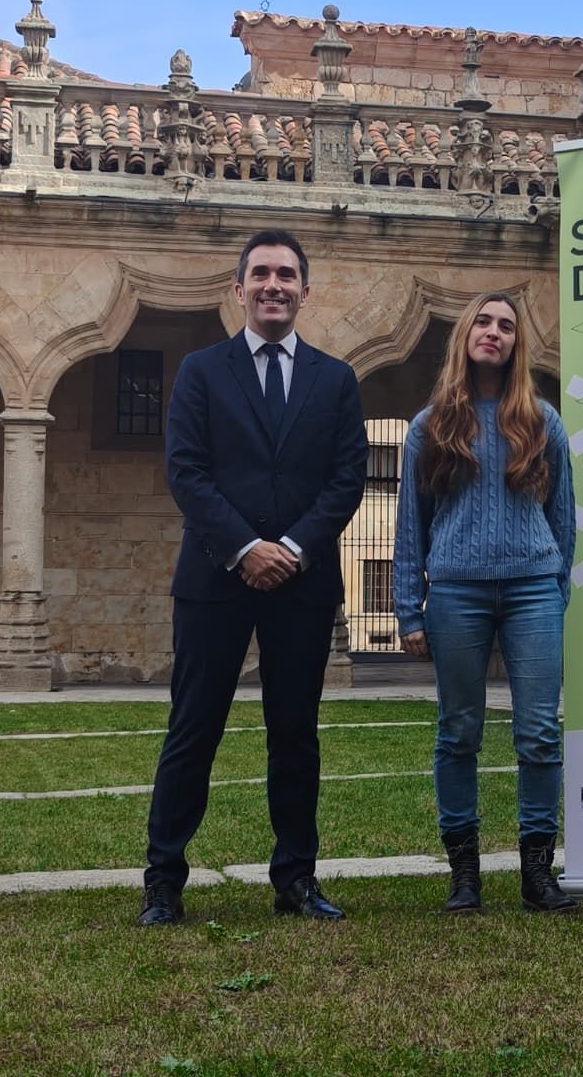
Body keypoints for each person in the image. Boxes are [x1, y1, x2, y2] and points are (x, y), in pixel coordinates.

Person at [139, 229, 367, 927]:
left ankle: (295, 878)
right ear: (239, 289)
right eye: (261, 274)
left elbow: (346, 479)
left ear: (305, 291)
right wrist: (245, 548)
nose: (274, 285)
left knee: (295, 734)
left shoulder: (336, 379)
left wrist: (290, 547)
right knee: (193, 729)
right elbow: (186, 471)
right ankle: (163, 882)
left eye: (286, 275)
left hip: (303, 582)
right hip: (215, 578)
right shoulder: (202, 371)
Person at [394, 291, 578, 915]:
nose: (494, 332)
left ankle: (537, 874)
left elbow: (564, 517)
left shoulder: (542, 421)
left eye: (506, 325)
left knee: (539, 733)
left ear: (516, 344)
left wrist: (556, 588)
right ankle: (464, 875)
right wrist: (408, 609)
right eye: (483, 321)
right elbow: (411, 524)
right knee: (458, 732)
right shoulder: (430, 426)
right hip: (456, 593)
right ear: (465, 335)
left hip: (533, 591)